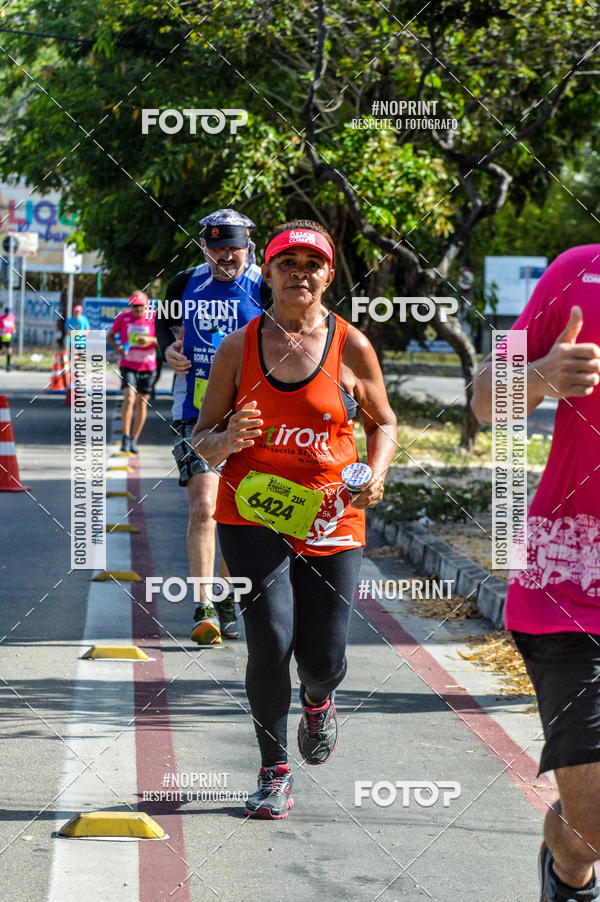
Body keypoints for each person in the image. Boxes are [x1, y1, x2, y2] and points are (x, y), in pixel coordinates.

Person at [191, 219, 397, 818]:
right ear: (270, 274)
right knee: (270, 640)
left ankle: (318, 699)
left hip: (333, 516)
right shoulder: (238, 347)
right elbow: (201, 441)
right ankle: (273, 770)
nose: (300, 274)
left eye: (313, 265)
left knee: (323, 656)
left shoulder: (351, 345)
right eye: (288, 264)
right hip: (251, 511)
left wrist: (377, 474)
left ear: (329, 275)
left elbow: (383, 422)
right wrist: (226, 437)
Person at [471, 244, 600, 902]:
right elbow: (484, 399)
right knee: (593, 818)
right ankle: (569, 870)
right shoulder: (578, 272)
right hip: (570, 590)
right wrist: (543, 375)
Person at [156, 208, 270, 646]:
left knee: (236, 509)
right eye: (217, 249)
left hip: (252, 412)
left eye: (233, 250)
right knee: (204, 505)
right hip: (195, 408)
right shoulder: (183, 283)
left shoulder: (263, 285)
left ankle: (225, 594)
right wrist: (169, 351)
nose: (225, 258)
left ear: (249, 248)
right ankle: (203, 606)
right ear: (204, 246)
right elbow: (162, 323)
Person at [107, 291, 158, 454]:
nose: (138, 310)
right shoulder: (123, 318)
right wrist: (117, 349)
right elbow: (110, 336)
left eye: (141, 307)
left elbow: (164, 339)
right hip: (128, 364)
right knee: (129, 398)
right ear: (131, 306)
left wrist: (149, 340)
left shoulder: (154, 318)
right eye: (135, 307)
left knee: (142, 403)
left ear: (146, 306)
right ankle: (125, 437)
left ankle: (134, 439)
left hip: (148, 366)